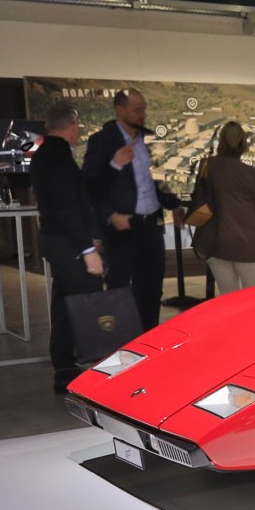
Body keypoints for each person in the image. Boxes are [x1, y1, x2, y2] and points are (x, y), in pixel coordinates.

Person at [83, 87, 173, 330]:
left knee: (152, 287)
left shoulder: (150, 139)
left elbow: (158, 180)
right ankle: (119, 340)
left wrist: (173, 204)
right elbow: (91, 186)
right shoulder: (102, 141)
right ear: (120, 110)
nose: (142, 114)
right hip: (122, 226)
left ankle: (149, 339)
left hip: (151, 224)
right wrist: (110, 215)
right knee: (120, 287)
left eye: (144, 109)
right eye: (136, 110)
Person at [32, 102, 104, 393]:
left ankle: (64, 371)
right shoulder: (58, 157)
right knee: (89, 303)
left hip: (56, 238)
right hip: (66, 241)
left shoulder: (44, 153)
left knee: (64, 304)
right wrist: (88, 251)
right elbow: (67, 208)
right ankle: (98, 373)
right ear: (73, 125)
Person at [193, 121, 255, 294]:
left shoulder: (206, 166)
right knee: (254, 299)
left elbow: (200, 199)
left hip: (214, 243)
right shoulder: (252, 174)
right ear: (243, 143)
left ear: (221, 141)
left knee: (227, 298)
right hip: (247, 245)